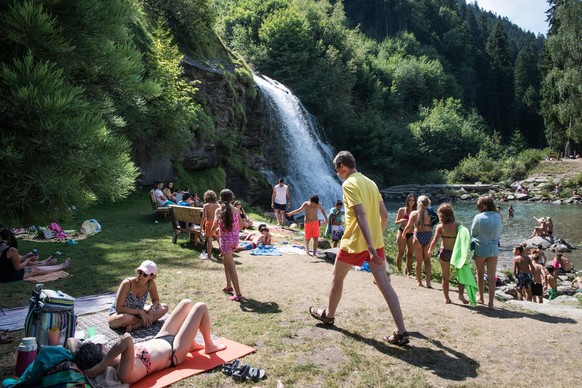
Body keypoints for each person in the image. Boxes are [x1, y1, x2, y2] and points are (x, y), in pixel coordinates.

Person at [308, 151, 408, 346]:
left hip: (355, 242)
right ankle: (402, 331)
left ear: (342, 166)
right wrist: (376, 240)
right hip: (375, 242)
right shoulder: (370, 183)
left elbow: (360, 215)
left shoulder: (349, 184)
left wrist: (369, 246)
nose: (337, 174)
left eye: (337, 170)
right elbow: (385, 215)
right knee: (385, 286)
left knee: (337, 278)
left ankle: (329, 315)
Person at [70, 299, 226, 384]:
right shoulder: (123, 373)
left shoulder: (116, 357)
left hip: (161, 337)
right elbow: (126, 339)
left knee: (186, 303)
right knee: (200, 307)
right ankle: (209, 346)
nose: (104, 345)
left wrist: (100, 362)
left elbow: (71, 343)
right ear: (103, 358)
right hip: (175, 351)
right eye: (101, 348)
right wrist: (101, 366)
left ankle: (192, 344)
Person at [108, 260, 168, 332]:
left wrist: (152, 310)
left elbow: (156, 300)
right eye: (139, 272)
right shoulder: (127, 283)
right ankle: (144, 322)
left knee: (164, 307)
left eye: (145, 274)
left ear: (151, 276)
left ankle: (137, 324)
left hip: (138, 314)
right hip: (120, 314)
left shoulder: (150, 284)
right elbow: (119, 309)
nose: (140, 276)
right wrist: (139, 312)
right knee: (124, 318)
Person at [428, 203, 468, 304]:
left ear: (441, 215)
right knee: (461, 275)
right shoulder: (458, 225)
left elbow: (434, 241)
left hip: (444, 252)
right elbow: (463, 240)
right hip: (456, 253)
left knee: (445, 277)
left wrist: (430, 250)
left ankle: (446, 298)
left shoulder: (440, 227)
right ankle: (461, 295)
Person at [0, 228, 71, 283]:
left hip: (4, 273)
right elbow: (18, 268)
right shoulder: (12, 250)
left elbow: (7, 261)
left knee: (32, 267)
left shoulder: (4, 248)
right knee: (35, 269)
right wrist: (27, 260)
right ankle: (62, 266)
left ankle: (59, 265)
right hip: (8, 276)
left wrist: (26, 256)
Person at [471, 195, 502, 310]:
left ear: (484, 205)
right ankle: (491, 303)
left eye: (479, 205)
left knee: (479, 274)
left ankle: (481, 298)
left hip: (481, 248)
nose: (478, 207)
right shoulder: (498, 216)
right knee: (492, 276)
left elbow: (473, 233)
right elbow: (499, 232)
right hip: (493, 249)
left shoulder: (479, 217)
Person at [211, 189, 243, 301]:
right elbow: (241, 226)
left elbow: (214, 227)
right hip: (234, 240)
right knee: (226, 262)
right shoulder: (236, 210)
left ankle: (238, 294)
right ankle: (229, 286)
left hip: (225, 242)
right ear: (231, 198)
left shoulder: (218, 211)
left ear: (220, 198)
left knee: (231, 267)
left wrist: (214, 231)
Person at [403, 195, 433, 288]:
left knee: (418, 261)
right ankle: (428, 283)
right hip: (428, 235)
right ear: (428, 203)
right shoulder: (431, 213)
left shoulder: (414, 213)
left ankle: (419, 282)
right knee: (427, 260)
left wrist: (404, 234)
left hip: (418, 236)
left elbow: (408, 226)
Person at [395, 194, 416, 276]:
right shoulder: (402, 210)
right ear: (407, 201)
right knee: (401, 252)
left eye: (413, 200)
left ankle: (408, 272)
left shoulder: (416, 211)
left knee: (410, 253)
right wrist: (402, 220)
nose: (411, 202)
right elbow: (396, 222)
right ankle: (399, 271)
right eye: (410, 200)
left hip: (412, 233)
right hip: (402, 231)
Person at [200, 190, 220, 261]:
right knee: (218, 238)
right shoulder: (218, 205)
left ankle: (209, 256)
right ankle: (223, 253)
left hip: (209, 223)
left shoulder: (206, 206)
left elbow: (204, 217)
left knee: (209, 240)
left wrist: (201, 227)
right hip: (216, 223)